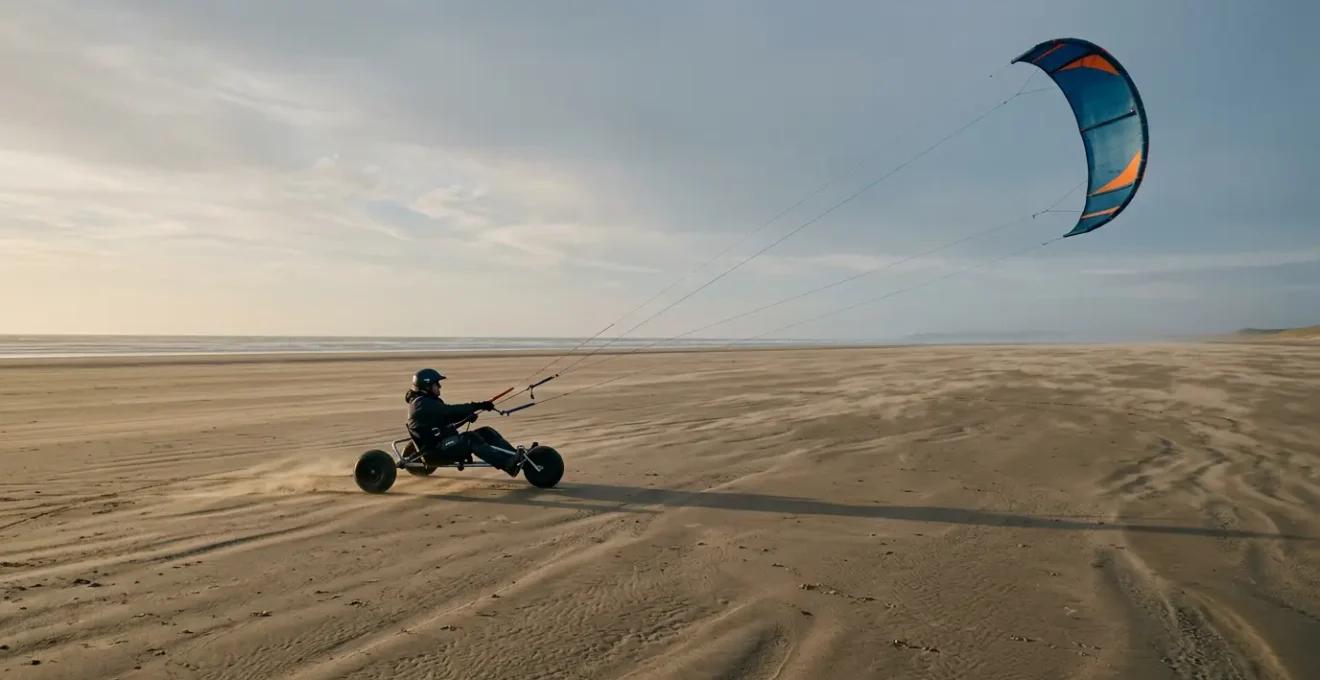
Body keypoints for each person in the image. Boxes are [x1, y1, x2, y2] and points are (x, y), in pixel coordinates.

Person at [404, 368, 523, 476]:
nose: (440, 386)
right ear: (427, 386)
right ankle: (508, 465)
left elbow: (447, 419)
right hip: (434, 451)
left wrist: (467, 416)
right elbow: (450, 411)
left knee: (486, 432)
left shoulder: (428, 401)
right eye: (437, 384)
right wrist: (477, 405)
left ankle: (516, 456)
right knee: (470, 438)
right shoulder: (421, 404)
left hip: (443, 443)